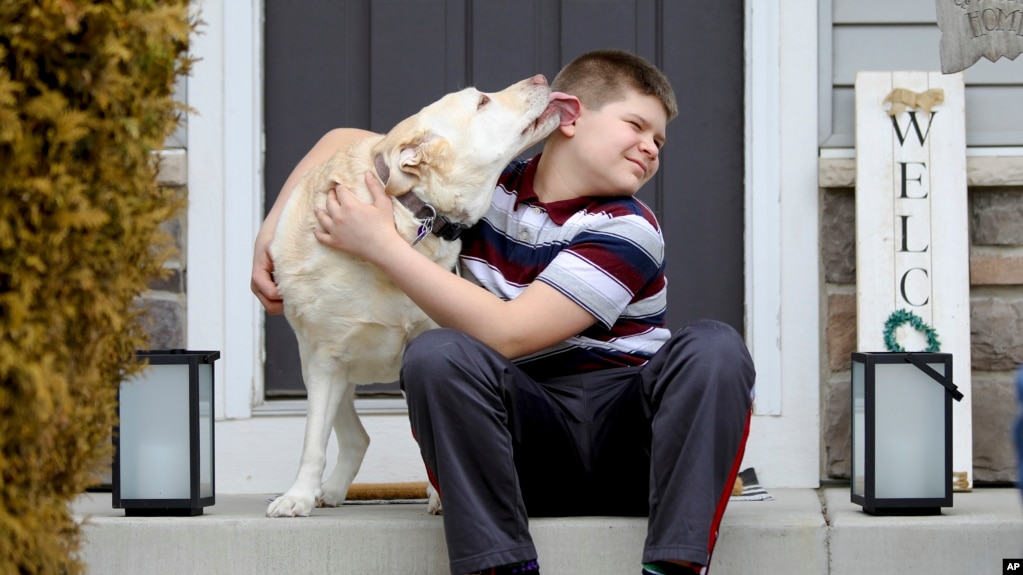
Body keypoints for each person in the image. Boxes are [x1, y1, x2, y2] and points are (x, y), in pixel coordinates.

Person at [251, 49, 755, 575]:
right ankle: (502, 567)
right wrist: (270, 234)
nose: (650, 148)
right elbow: (341, 142)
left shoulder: (628, 227)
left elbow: (512, 334)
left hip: (638, 451)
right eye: (637, 125)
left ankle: (674, 566)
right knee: (435, 354)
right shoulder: (481, 196)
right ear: (569, 114)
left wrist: (383, 245)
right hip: (521, 453)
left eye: (659, 141)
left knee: (714, 347)